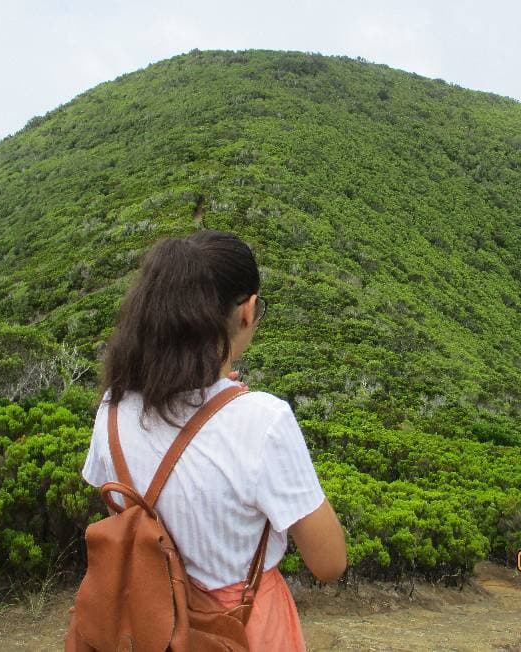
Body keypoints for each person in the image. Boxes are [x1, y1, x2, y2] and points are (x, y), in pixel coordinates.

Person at [80, 229, 347, 650]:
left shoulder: (112, 408)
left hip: (146, 624)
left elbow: (129, 508)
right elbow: (329, 562)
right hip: (237, 628)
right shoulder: (263, 420)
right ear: (248, 310)